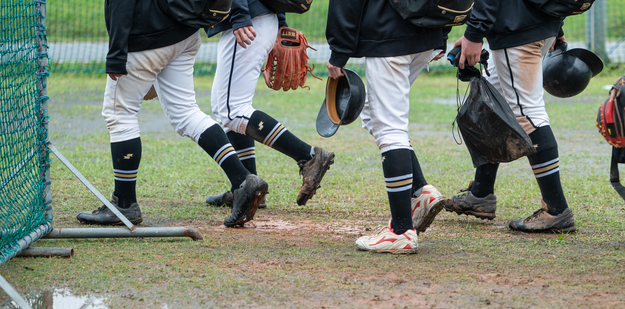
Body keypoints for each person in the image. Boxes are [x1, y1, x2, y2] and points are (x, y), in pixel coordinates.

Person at [78, 0, 268, 228]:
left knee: (119, 113)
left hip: (148, 35)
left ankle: (125, 203)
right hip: (184, 31)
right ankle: (241, 179)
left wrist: (117, 53)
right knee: (186, 113)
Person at [325, 0, 449, 254]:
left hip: (390, 35)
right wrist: (442, 32)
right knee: (372, 114)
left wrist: (339, 50)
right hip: (426, 31)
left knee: (390, 128)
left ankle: (401, 231)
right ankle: (419, 193)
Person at [445, 0, 576, 234]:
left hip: (517, 32)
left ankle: (556, 210)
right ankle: (481, 193)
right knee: (493, 108)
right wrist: (557, 26)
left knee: (528, 115)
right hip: (535, 24)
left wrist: (474, 34)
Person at [205, 1, 335, 209]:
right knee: (228, 109)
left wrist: (239, 16)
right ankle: (246, 187)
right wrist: (280, 22)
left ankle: (308, 156)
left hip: (247, 21)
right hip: (257, 18)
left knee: (232, 111)